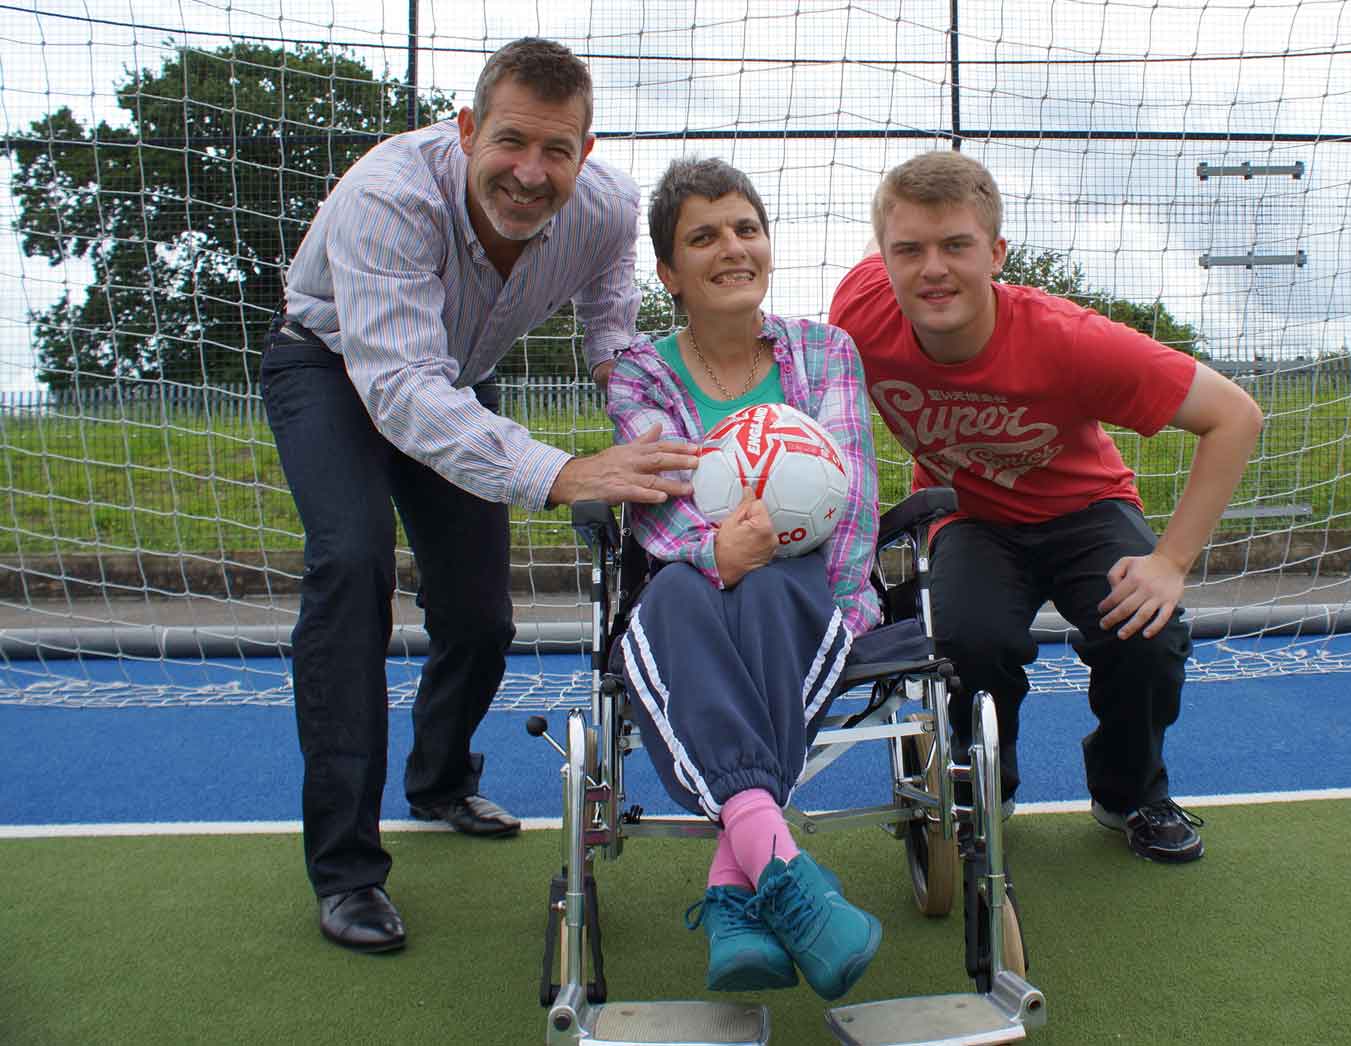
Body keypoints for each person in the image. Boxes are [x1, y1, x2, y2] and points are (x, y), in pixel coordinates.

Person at [260, 38, 699, 954]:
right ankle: (345, 870)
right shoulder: (388, 195)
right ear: (466, 131)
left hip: (455, 380)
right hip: (338, 369)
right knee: (351, 565)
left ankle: (440, 779)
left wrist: (650, 439)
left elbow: (615, 337)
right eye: (509, 143)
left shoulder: (608, 212)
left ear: (586, 147)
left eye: (557, 151)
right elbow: (400, 392)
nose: (529, 173)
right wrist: (563, 472)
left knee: (480, 616)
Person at [829, 150, 1263, 863]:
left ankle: (1129, 793)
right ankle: (978, 787)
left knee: (1146, 636)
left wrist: (1171, 562)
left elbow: (1236, 417)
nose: (932, 267)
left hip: (1083, 508)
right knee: (967, 643)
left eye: (956, 246)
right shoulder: (859, 311)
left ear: (997, 253)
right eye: (909, 249)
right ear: (883, 256)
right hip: (970, 515)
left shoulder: (1071, 342)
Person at [604, 157, 882, 1000]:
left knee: (766, 588)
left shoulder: (824, 351)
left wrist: (809, 595)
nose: (732, 247)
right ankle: (783, 878)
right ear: (668, 272)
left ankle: (736, 896)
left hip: (810, 589)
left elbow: (853, 495)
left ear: (767, 245)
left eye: (745, 229)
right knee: (684, 591)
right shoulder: (640, 373)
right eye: (703, 236)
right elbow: (658, 493)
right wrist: (715, 553)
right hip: (691, 580)